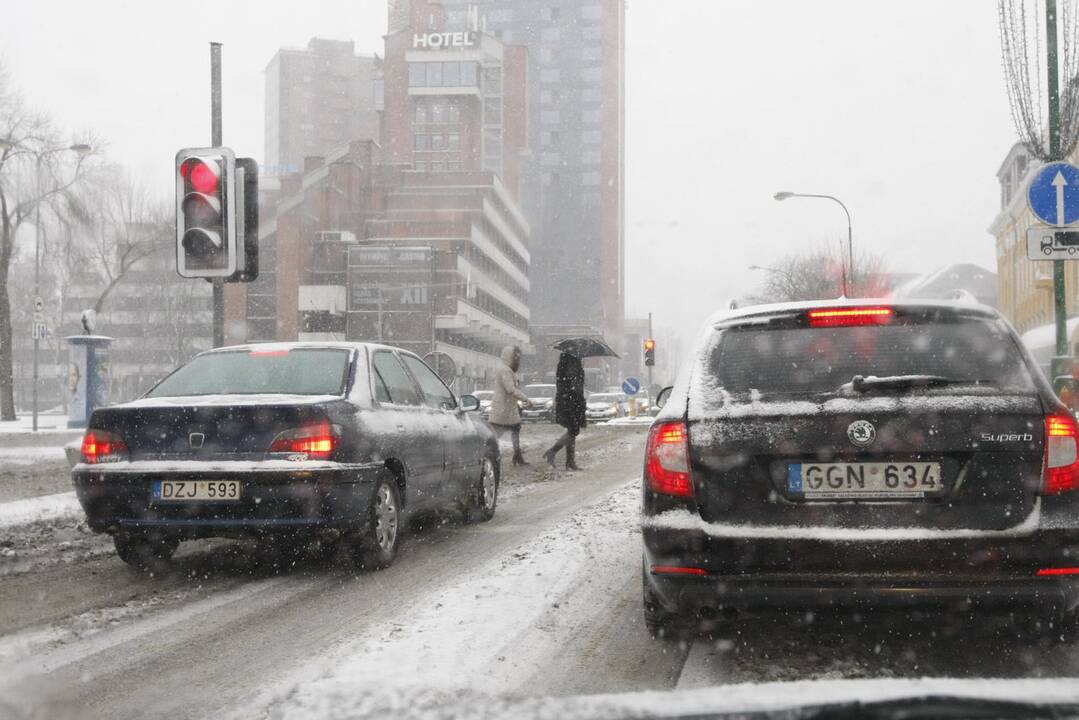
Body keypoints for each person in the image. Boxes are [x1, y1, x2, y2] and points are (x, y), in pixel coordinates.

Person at [488, 345, 531, 465]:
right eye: (515, 357)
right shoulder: (505, 370)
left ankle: (517, 456)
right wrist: (526, 399)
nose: (518, 360)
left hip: (508, 409)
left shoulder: (506, 369)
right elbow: (510, 389)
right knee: (498, 433)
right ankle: (488, 455)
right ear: (509, 357)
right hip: (503, 409)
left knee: (514, 430)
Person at [544, 352, 586, 471]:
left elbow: (569, 384)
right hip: (570, 402)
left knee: (572, 431)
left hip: (568, 401)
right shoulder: (572, 365)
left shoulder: (566, 364)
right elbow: (574, 385)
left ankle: (569, 461)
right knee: (573, 431)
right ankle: (553, 452)